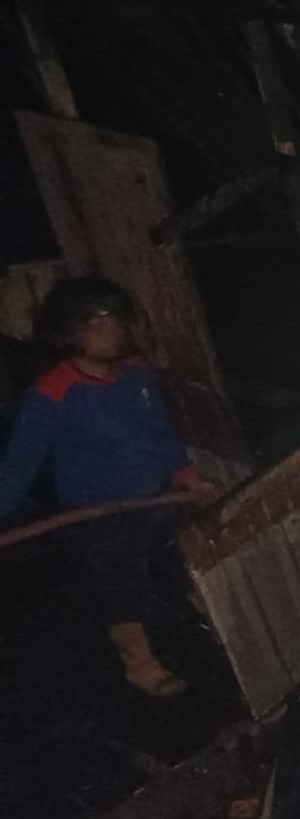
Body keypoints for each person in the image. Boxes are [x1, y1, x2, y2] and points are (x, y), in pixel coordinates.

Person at [0, 279, 215, 698]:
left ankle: (212, 629)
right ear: (68, 333)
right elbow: (18, 469)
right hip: (101, 516)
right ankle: (141, 666)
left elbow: (161, 435)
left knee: (186, 564)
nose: (110, 330)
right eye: (95, 324)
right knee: (122, 587)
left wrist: (189, 478)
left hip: (159, 499)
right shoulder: (51, 395)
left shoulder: (138, 376)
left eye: (114, 319)